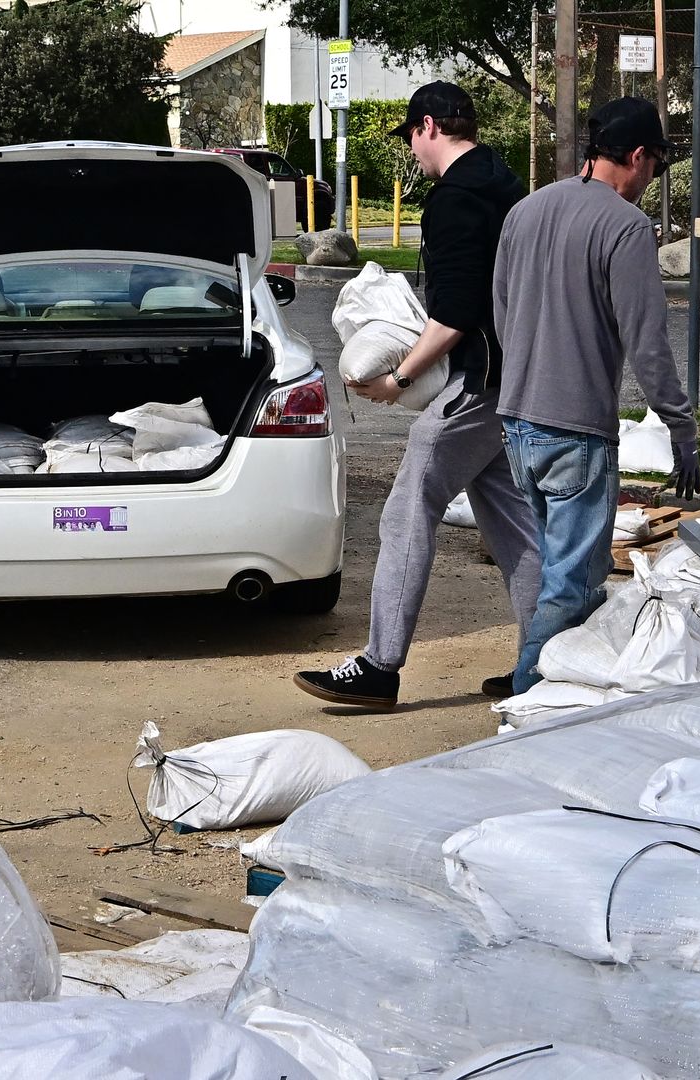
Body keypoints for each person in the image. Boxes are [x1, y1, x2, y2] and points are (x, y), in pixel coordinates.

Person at [294, 81, 539, 711]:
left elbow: (456, 312)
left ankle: (380, 667)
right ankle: (547, 662)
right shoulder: (505, 184)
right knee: (513, 525)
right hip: (513, 376)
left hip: (476, 382)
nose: (412, 149)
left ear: (428, 126)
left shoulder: (454, 201)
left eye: (410, 136)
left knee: (407, 508)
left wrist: (399, 379)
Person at [492, 97, 700, 694]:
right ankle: (530, 697)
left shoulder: (526, 211)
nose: (651, 179)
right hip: (576, 430)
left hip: (517, 422)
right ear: (638, 156)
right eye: (655, 165)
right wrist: (682, 431)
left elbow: (503, 314)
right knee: (574, 583)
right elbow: (649, 342)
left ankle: (556, 685)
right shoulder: (627, 226)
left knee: (556, 568)